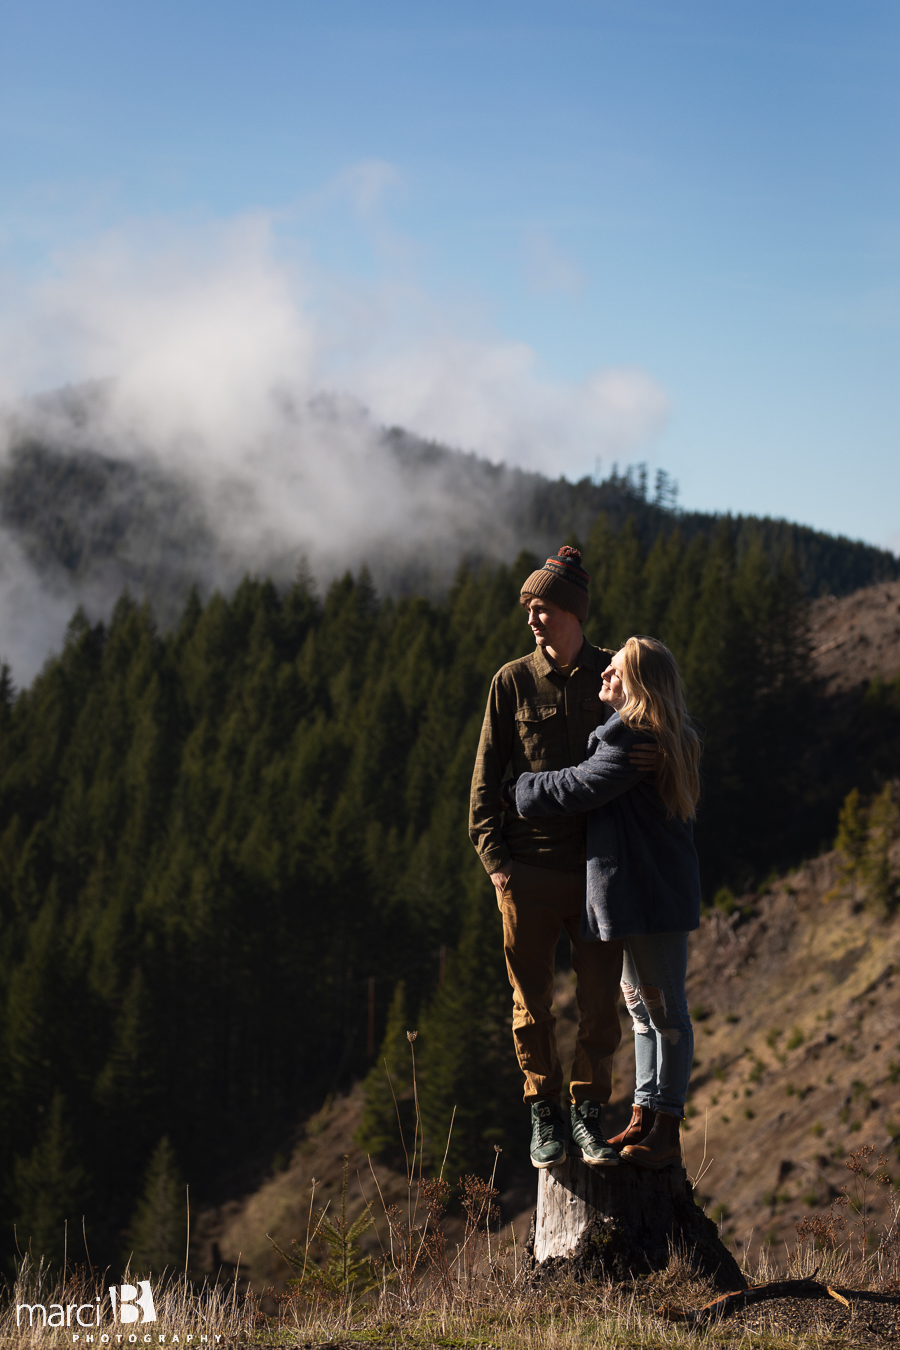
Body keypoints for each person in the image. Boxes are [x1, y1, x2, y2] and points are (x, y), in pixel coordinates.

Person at [469, 546, 655, 1170]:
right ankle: (543, 1114)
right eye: (529, 608)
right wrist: (498, 864)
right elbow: (484, 782)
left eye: (541, 607)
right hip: (526, 873)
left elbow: (668, 725)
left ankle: (587, 1114)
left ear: (572, 612)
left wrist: (660, 755)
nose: (532, 619)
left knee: (601, 1005)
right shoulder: (512, 681)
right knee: (532, 1005)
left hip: (600, 874)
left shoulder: (614, 674)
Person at [507, 636, 702, 1170]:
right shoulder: (651, 738)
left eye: (614, 672)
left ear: (637, 685)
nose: (603, 677)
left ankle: (666, 1126)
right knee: (643, 1011)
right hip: (640, 894)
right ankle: (644, 1114)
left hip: (651, 895)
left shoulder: (631, 740)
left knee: (666, 1014)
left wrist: (519, 788)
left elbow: (575, 788)